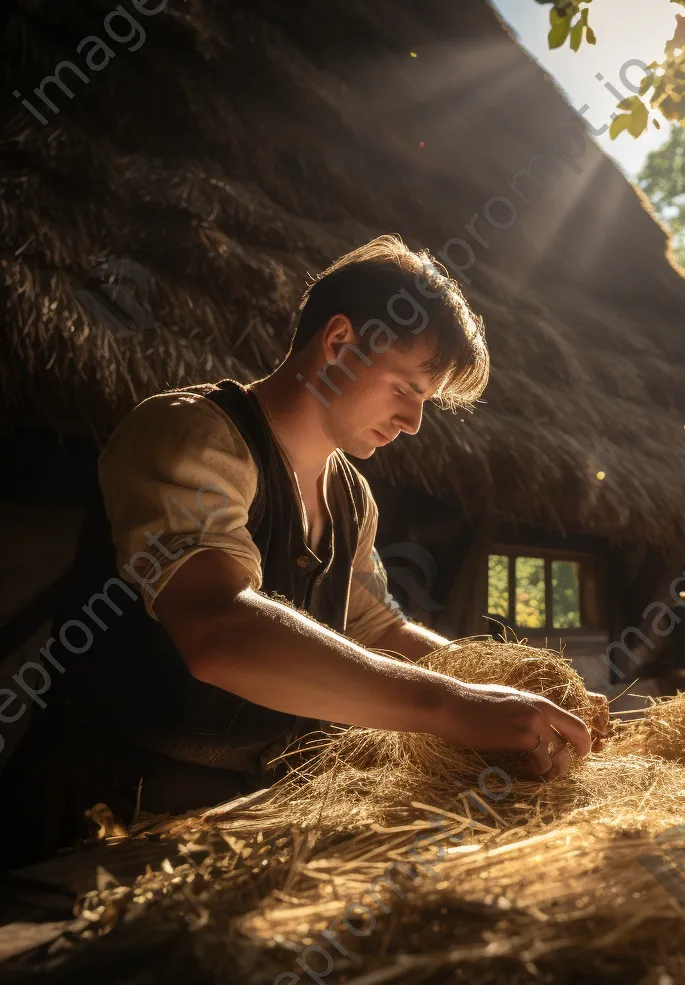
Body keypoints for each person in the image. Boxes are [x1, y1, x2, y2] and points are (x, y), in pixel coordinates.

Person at [3, 235, 590, 866]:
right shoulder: (192, 432)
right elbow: (218, 627)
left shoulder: (351, 498)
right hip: (102, 819)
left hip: (239, 824)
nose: (414, 422)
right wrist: (452, 706)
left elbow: (380, 629)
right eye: (405, 387)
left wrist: (516, 686)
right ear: (338, 342)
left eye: (425, 401)